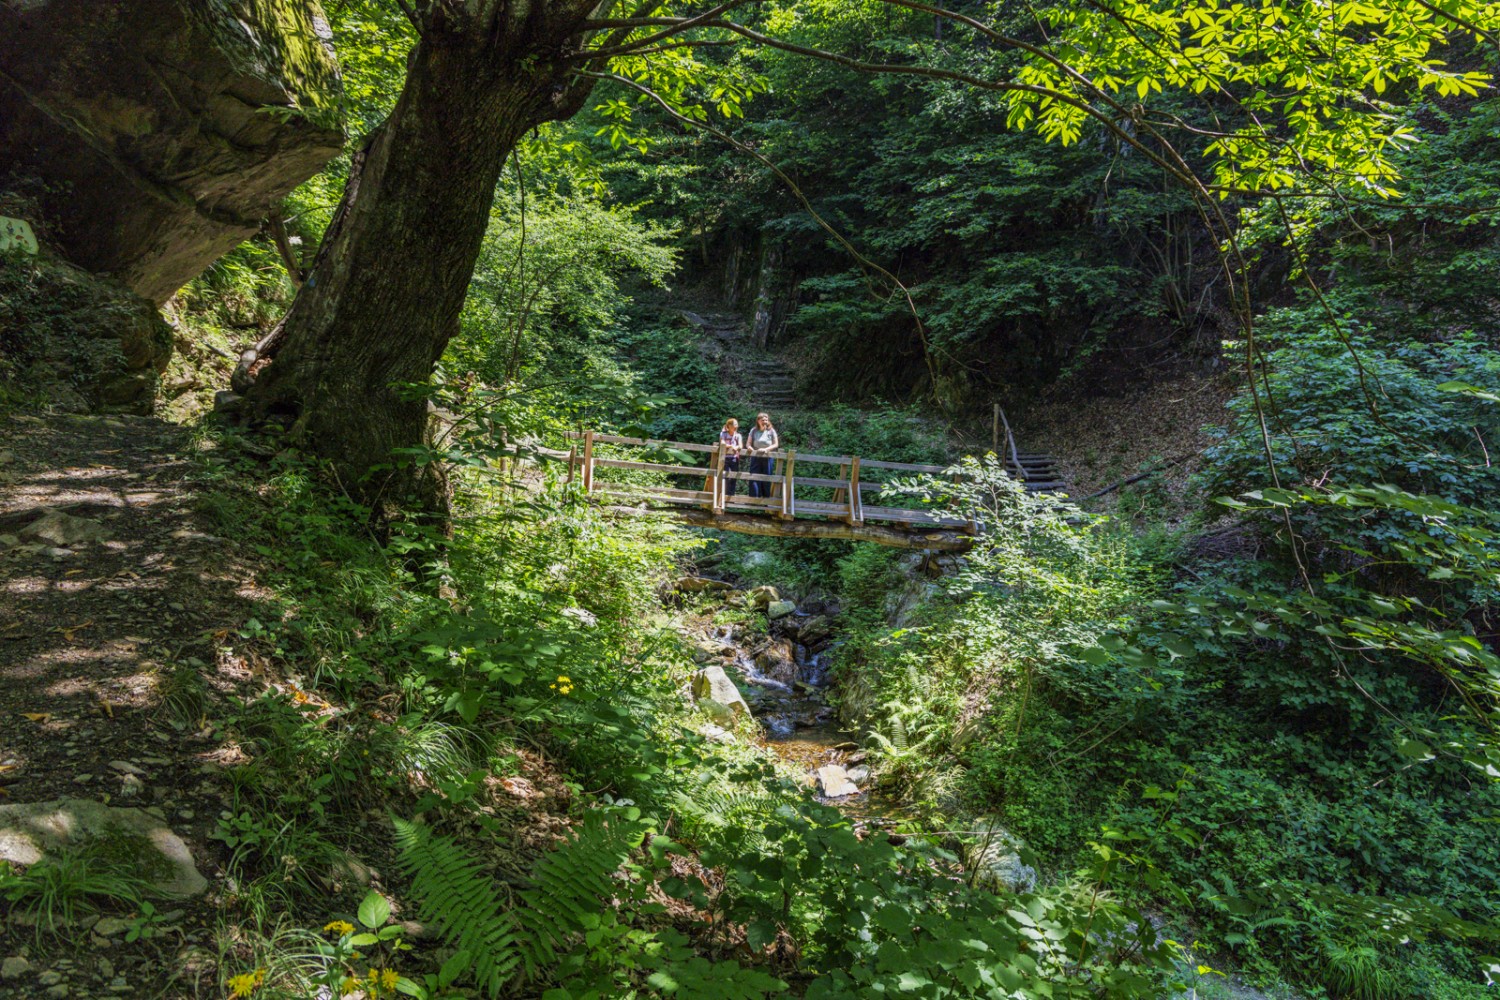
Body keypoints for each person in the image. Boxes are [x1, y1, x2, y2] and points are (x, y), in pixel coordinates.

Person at [746, 412, 779, 498]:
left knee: (767, 477)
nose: (765, 421)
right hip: (756, 456)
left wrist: (766, 449)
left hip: (767, 457)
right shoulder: (753, 430)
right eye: (763, 420)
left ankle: (765, 500)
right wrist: (749, 448)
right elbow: (748, 443)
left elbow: (776, 444)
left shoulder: (771, 431)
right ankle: (754, 499)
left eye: (766, 420)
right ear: (758, 421)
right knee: (754, 476)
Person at [718, 418, 743, 497]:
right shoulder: (723, 434)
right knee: (726, 476)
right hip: (724, 458)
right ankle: (724, 494)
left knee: (733, 477)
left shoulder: (738, 435)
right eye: (734, 424)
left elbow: (741, 445)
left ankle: (731, 495)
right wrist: (732, 446)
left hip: (734, 458)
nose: (736, 426)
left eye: (736, 424)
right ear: (729, 425)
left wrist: (737, 447)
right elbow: (722, 443)